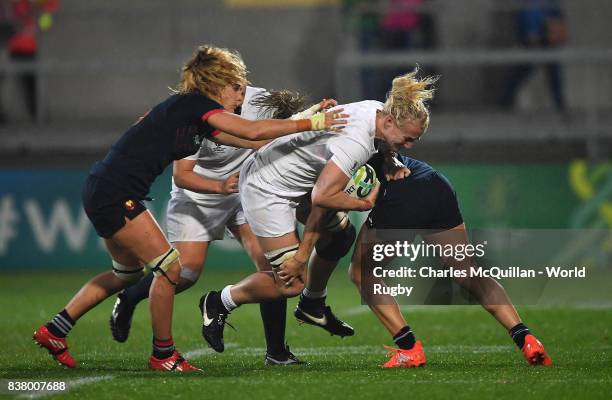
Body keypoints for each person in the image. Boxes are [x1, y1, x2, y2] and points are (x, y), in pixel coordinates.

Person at [32, 45, 346, 372]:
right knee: (172, 270)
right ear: (215, 84)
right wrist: (315, 124)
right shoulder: (196, 106)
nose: (240, 96)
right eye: (234, 87)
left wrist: (308, 117)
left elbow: (253, 140)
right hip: (116, 193)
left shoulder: (192, 112)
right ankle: (163, 355)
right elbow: (251, 132)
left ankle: (56, 329)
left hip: (104, 187)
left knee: (127, 274)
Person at [199, 67, 436, 354]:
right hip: (267, 188)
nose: (408, 146)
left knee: (340, 236)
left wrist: (390, 159)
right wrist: (304, 253)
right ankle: (219, 301)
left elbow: (380, 146)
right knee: (290, 281)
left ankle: (313, 304)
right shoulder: (357, 142)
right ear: (388, 121)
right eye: (407, 138)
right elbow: (323, 198)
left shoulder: (376, 109)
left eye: (414, 141)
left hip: (292, 179)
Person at [109, 86, 335, 365]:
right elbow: (183, 176)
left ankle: (276, 352)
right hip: (199, 196)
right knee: (185, 273)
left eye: (242, 82)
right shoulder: (194, 112)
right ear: (219, 83)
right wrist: (220, 186)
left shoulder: (259, 99)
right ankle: (130, 297)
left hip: (244, 192)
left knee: (275, 268)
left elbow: (283, 125)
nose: (241, 90)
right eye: (234, 83)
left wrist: (319, 112)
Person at [296, 147, 553, 368]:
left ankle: (409, 349)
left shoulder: (332, 154)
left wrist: (302, 252)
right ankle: (527, 339)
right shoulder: (368, 134)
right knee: (466, 271)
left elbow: (321, 204)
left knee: (363, 272)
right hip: (435, 185)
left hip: (400, 198)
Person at [500, 0, 567, 111]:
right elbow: (525, 17)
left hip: (547, 39)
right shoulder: (529, 8)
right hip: (534, 38)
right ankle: (505, 100)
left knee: (553, 71)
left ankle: (560, 104)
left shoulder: (550, 6)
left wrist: (557, 31)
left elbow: (557, 16)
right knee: (523, 69)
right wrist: (531, 35)